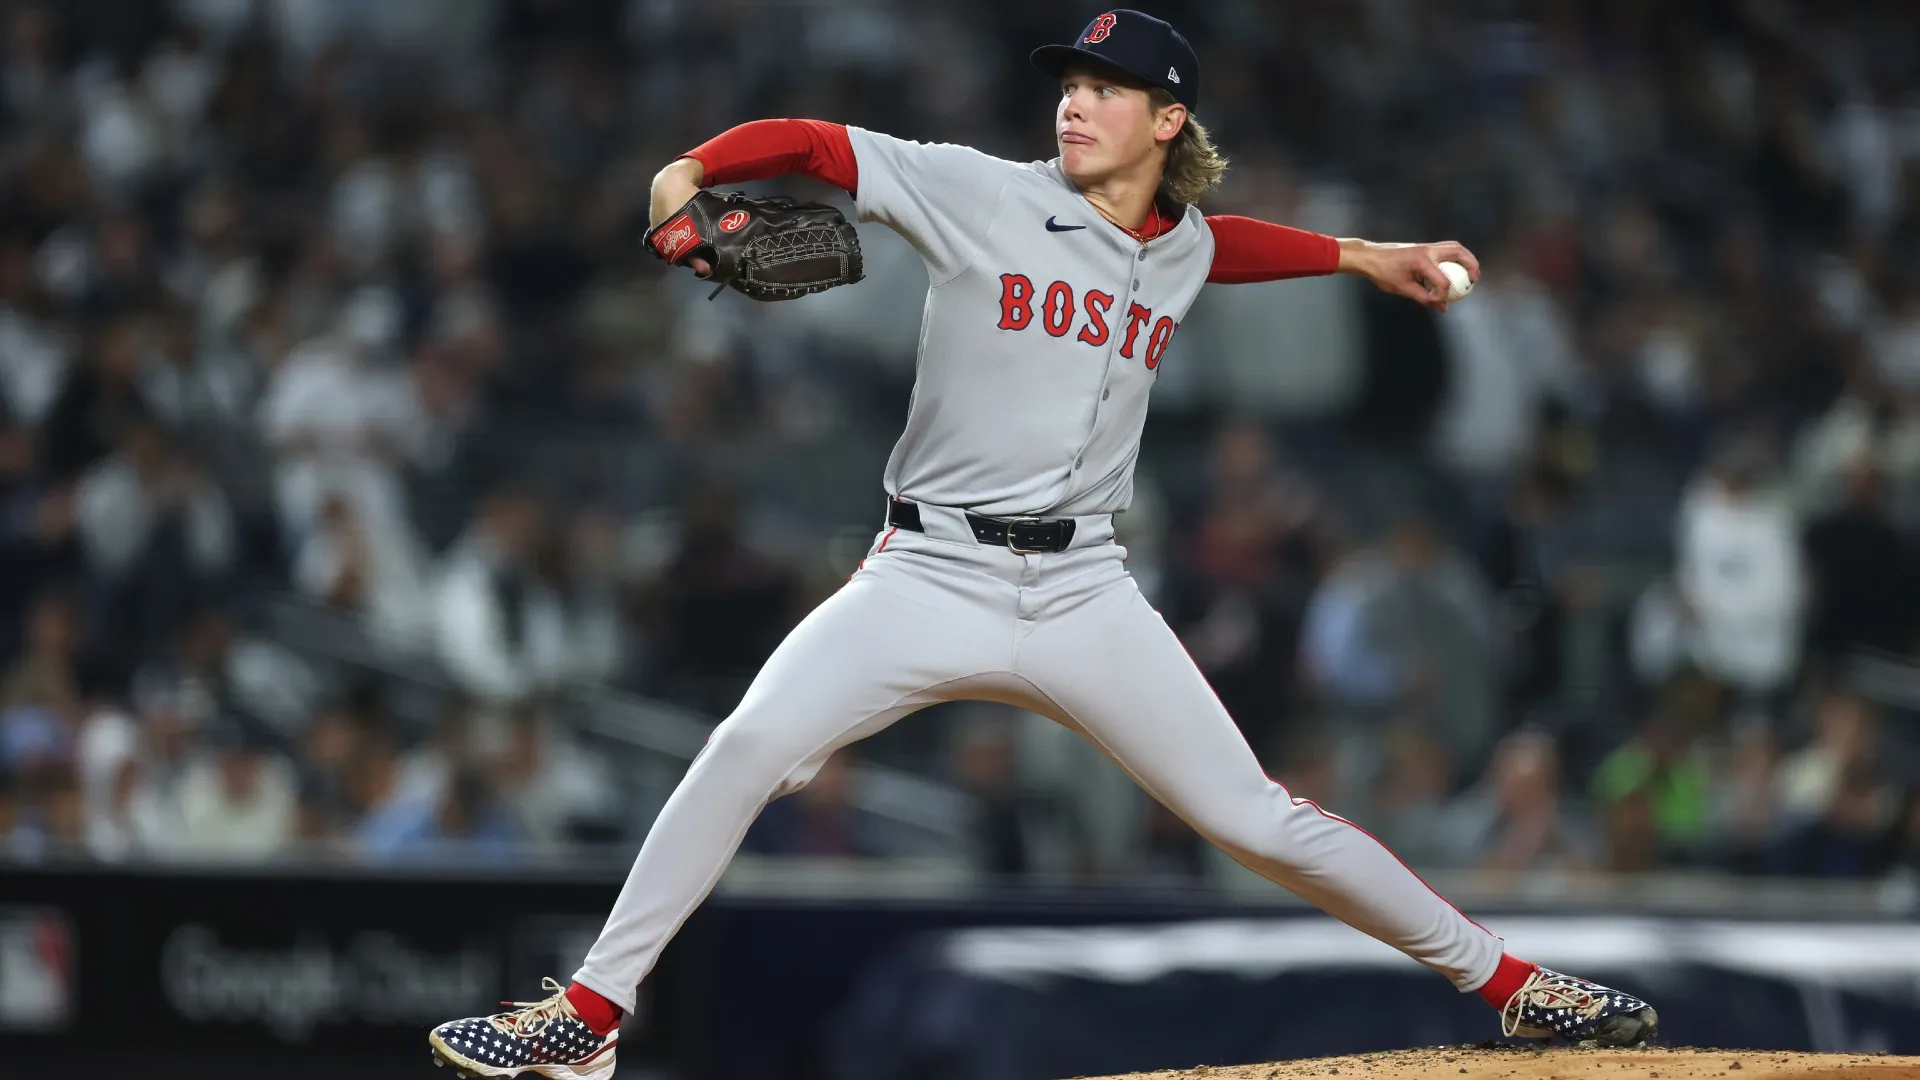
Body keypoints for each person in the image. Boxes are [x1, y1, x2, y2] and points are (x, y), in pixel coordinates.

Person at [427, 11, 1656, 1076]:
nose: (1074, 102)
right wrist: (688, 170)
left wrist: (1360, 256)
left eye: (1105, 89)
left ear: (1168, 119)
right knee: (748, 745)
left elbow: (1217, 248)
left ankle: (1511, 988)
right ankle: (588, 1014)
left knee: (1260, 820)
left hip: (1082, 588)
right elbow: (812, 145)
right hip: (928, 571)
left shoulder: (1180, 244)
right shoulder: (977, 187)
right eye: (1069, 84)